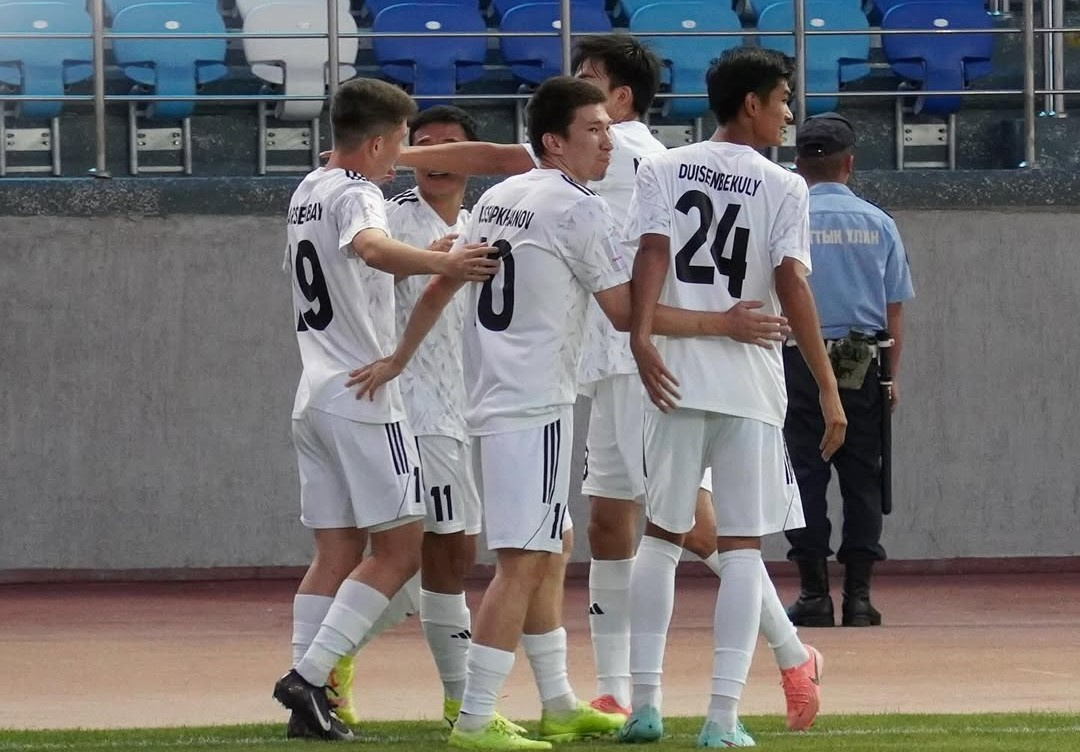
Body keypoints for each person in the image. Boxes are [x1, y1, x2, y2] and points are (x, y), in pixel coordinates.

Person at [391, 35, 790, 718]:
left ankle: (757, 656)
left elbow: (490, 180)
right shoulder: (575, 189)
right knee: (595, 534)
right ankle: (510, 707)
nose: (598, 129)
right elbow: (624, 303)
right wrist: (721, 323)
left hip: (620, 363)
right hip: (598, 360)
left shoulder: (577, 173)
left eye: (590, 79)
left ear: (622, 99)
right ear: (560, 138)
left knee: (635, 527)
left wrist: (395, 156)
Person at [620, 48, 847, 748]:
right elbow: (793, 284)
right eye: (782, 98)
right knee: (743, 548)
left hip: (675, 374)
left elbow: (651, 254)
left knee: (660, 538)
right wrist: (829, 387)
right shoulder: (784, 184)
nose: (789, 112)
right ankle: (721, 718)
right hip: (748, 380)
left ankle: (645, 707)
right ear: (752, 103)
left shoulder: (663, 166)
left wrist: (642, 336)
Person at [270, 78, 499, 742]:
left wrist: (429, 259)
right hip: (365, 394)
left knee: (337, 549)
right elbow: (371, 247)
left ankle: (310, 704)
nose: (405, 156)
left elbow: (357, 264)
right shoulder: (358, 193)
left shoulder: (308, 187)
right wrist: (443, 261)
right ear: (376, 143)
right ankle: (309, 677)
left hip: (314, 391)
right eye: (402, 141)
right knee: (402, 547)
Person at [783, 113, 914, 628]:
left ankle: (814, 594)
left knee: (804, 476)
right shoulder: (879, 223)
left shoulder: (787, 219)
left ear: (798, 165)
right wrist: (890, 377)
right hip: (863, 360)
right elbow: (893, 311)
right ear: (849, 164)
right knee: (862, 479)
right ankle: (859, 597)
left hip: (798, 358)